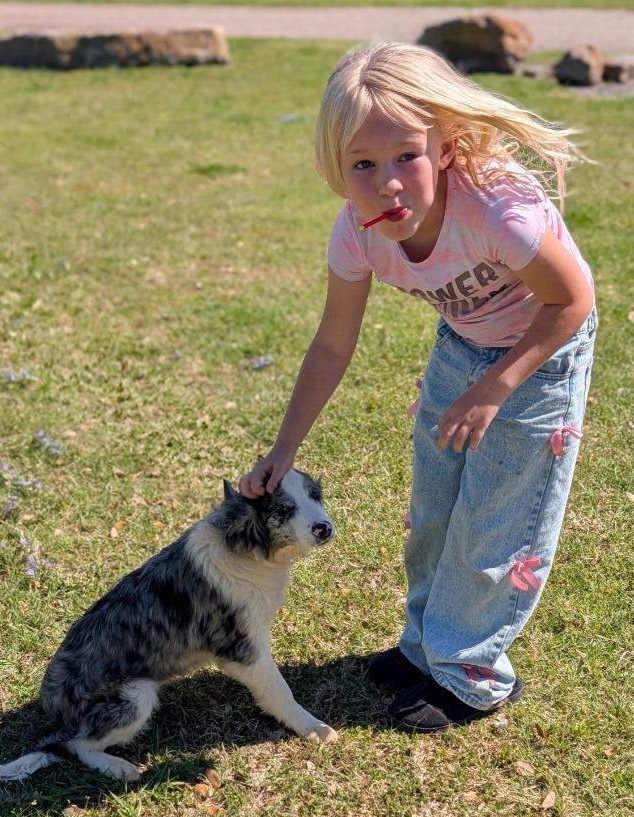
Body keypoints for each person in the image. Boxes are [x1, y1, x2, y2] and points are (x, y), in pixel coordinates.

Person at [239, 42, 596, 732]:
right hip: (462, 345)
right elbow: (332, 344)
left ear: (445, 148)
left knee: (493, 521)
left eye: (407, 156)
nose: (389, 184)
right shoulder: (358, 233)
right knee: (435, 507)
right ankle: (426, 647)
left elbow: (572, 300)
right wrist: (283, 451)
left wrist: (495, 388)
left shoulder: (496, 215)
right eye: (363, 165)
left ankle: (472, 675)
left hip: (541, 350)